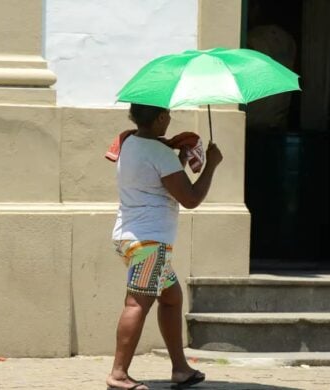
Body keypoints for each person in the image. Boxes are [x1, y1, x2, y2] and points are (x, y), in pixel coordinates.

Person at [106, 103, 223, 390]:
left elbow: (159, 183)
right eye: (168, 114)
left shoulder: (129, 142)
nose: (171, 118)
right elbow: (191, 198)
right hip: (150, 242)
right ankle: (118, 374)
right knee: (137, 303)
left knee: (171, 297)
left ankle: (181, 369)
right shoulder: (159, 152)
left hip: (130, 236)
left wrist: (180, 158)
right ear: (159, 118)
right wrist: (211, 165)